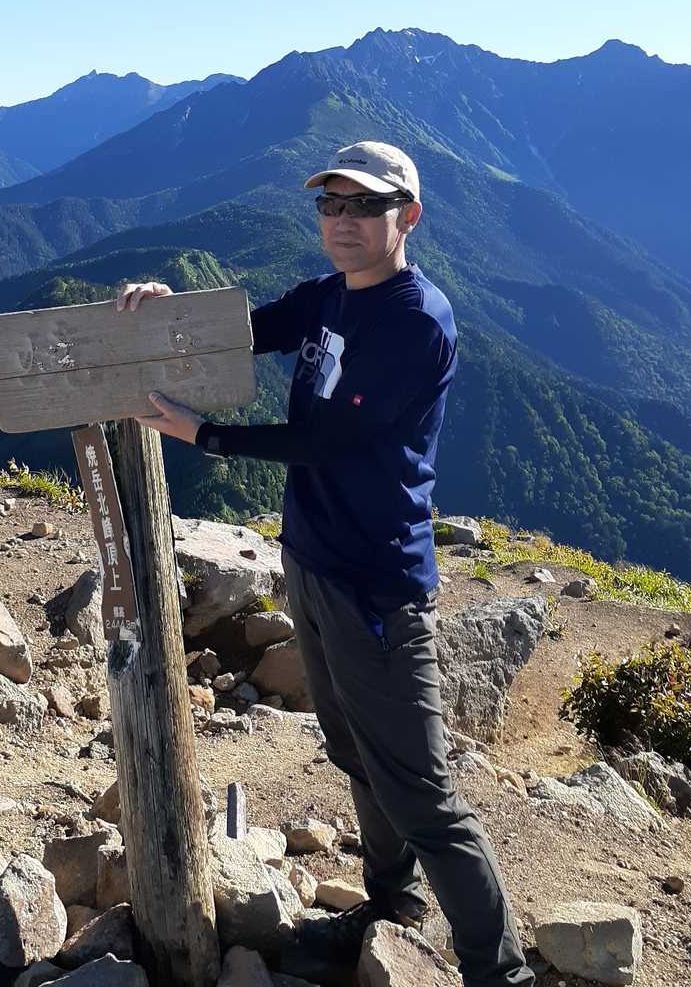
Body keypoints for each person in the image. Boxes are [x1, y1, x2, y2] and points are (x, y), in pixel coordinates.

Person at [117, 141, 533, 987]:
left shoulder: (416, 320)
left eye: (365, 206)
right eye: (331, 205)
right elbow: (250, 330)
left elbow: (330, 440)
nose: (344, 221)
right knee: (353, 753)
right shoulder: (330, 295)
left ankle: (501, 973)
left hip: (377, 584)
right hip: (311, 560)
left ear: (408, 216)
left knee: (421, 793)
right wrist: (168, 309)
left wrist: (204, 435)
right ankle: (392, 907)